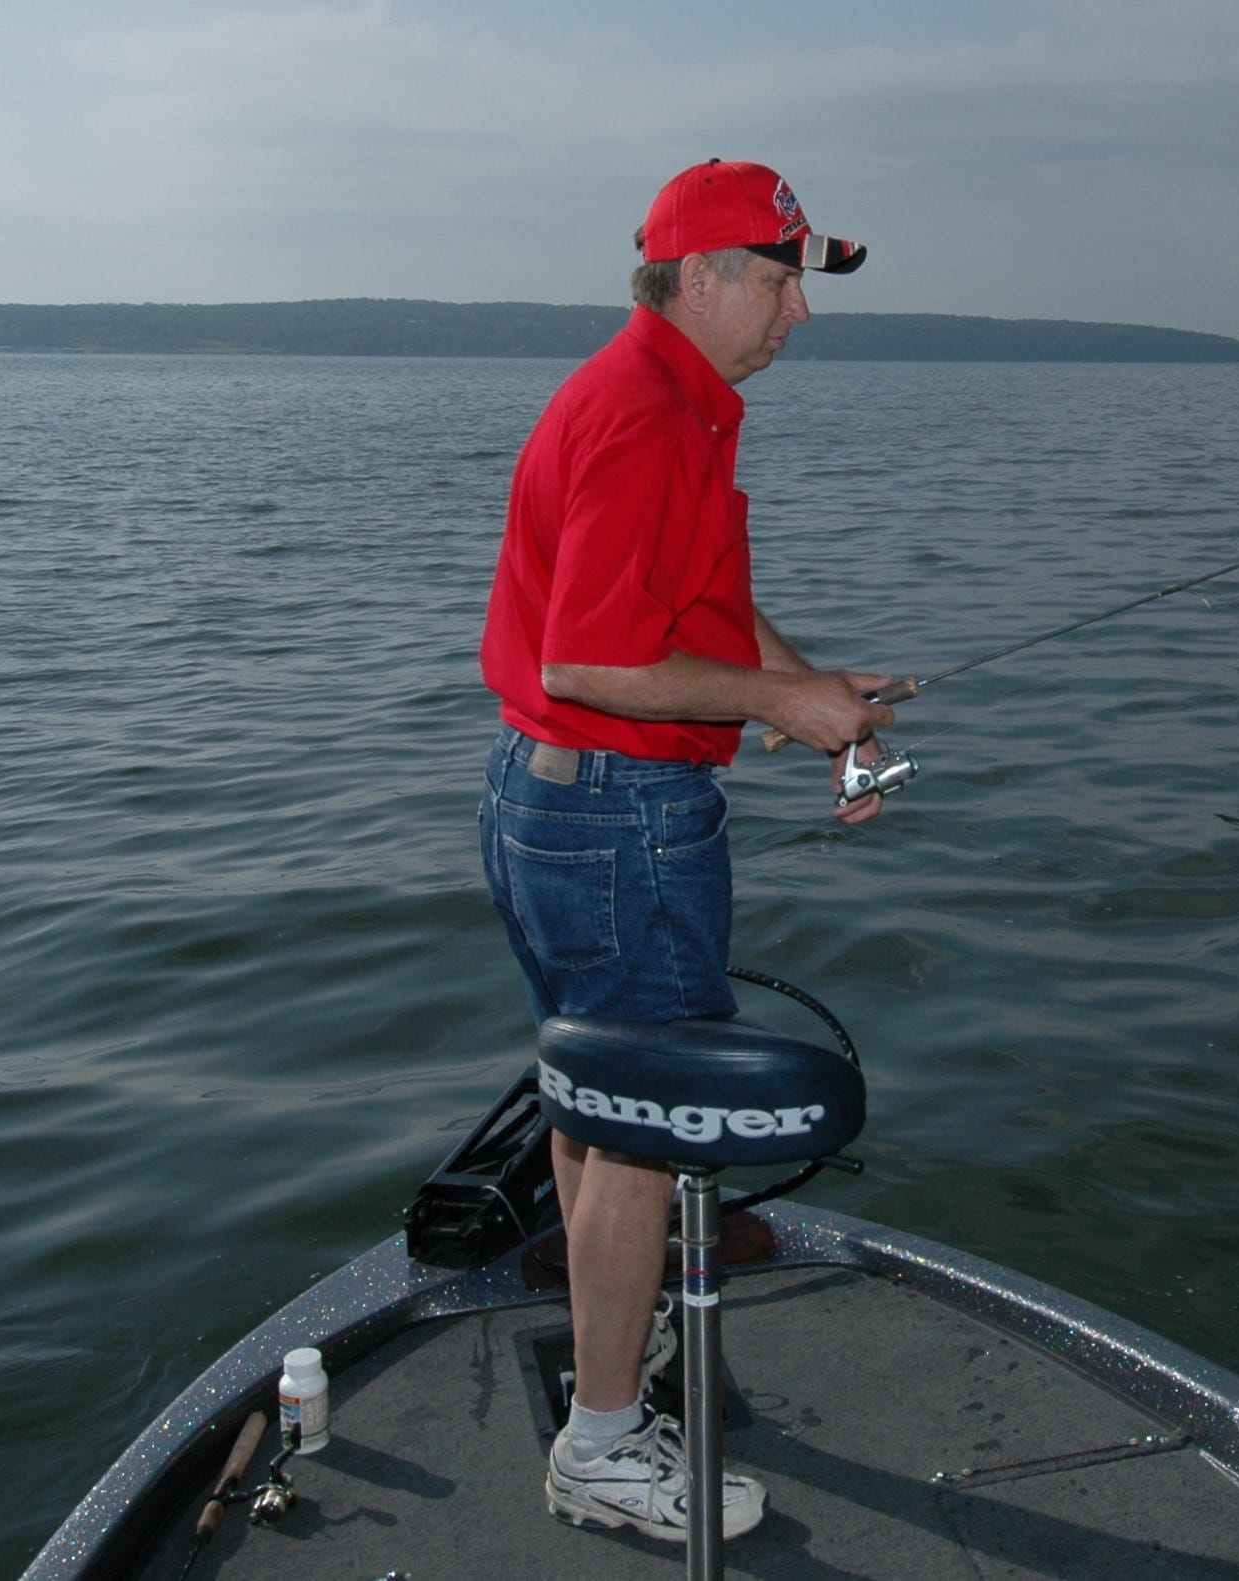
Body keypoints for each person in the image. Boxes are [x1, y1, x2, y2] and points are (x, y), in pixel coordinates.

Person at [475, 158, 896, 1544]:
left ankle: (610, 1348)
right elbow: (590, 657)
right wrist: (780, 704)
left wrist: (808, 688)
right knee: (647, 1125)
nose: (797, 314)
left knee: (597, 1102)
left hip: (557, 799)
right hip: (615, 817)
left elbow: (704, 602)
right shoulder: (649, 415)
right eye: (776, 282)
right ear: (701, 276)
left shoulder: (671, 400)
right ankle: (603, 1442)